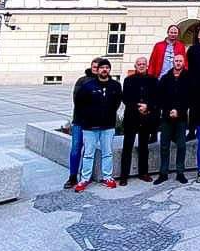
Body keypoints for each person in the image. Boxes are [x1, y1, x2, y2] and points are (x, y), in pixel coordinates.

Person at [73, 58, 121, 192]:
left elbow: (116, 103)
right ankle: (84, 178)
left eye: (107, 67)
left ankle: (107, 177)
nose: (104, 70)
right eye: (102, 68)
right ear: (97, 70)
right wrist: (88, 117)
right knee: (88, 153)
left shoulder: (115, 86)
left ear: (109, 70)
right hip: (90, 126)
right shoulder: (88, 85)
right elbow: (79, 103)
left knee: (107, 152)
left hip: (108, 125)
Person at [119, 57, 159, 186]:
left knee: (144, 146)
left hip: (146, 117)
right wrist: (138, 106)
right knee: (127, 146)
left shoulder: (153, 80)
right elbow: (125, 98)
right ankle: (124, 175)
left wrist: (148, 107)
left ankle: (143, 173)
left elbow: (156, 98)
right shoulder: (128, 80)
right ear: (135, 66)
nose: (141, 66)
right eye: (139, 64)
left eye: (143, 64)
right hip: (132, 116)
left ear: (147, 66)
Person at [64, 58, 100, 189]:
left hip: (93, 123)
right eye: (94, 66)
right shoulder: (82, 80)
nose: (96, 68)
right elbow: (77, 99)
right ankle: (72, 176)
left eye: (98, 66)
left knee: (88, 151)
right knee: (75, 149)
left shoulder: (104, 82)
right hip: (80, 121)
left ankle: (85, 176)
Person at [155, 53, 190, 184]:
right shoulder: (165, 78)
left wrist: (179, 111)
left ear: (183, 63)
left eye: (180, 61)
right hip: (167, 117)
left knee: (181, 145)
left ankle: (180, 172)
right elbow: (160, 97)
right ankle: (163, 173)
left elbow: (190, 98)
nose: (178, 63)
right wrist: (169, 110)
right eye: (176, 61)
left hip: (181, 118)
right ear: (173, 62)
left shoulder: (188, 78)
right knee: (164, 145)